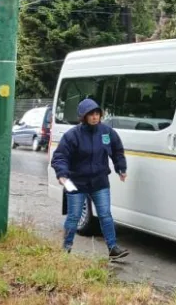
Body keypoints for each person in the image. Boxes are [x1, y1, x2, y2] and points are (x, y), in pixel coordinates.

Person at [50, 98, 129, 261]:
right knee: (74, 216)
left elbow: (117, 150)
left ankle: (113, 248)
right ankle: (66, 249)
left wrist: (121, 168)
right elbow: (59, 157)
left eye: (97, 113)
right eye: (91, 114)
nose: (95, 117)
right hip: (75, 182)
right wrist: (62, 174)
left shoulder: (107, 132)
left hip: (100, 181)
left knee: (105, 215)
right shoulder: (72, 135)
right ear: (83, 116)